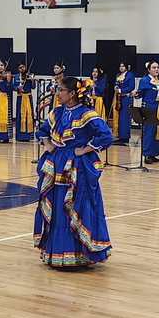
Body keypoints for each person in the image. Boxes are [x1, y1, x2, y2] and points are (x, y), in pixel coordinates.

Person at [34, 77, 113, 267]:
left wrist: (85, 150)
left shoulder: (87, 114)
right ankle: (57, 253)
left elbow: (106, 136)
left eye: (60, 90)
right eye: (57, 89)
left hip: (77, 168)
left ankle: (80, 253)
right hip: (56, 166)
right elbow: (42, 131)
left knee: (76, 205)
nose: (57, 93)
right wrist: (47, 144)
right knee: (58, 207)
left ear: (72, 94)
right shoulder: (56, 113)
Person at [133, 61, 159, 164]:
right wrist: (135, 94)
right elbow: (140, 93)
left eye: (157, 67)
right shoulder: (144, 80)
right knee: (149, 131)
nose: (156, 69)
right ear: (149, 70)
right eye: (154, 68)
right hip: (149, 107)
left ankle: (154, 153)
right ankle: (147, 153)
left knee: (157, 131)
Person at [112, 62, 135, 145]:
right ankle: (120, 135)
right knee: (119, 117)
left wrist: (121, 90)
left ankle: (125, 137)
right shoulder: (118, 75)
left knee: (125, 117)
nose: (121, 68)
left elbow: (131, 87)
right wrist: (115, 87)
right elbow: (116, 83)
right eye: (120, 66)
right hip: (118, 98)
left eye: (123, 66)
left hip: (126, 97)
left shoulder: (130, 75)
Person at [14, 62, 35, 142]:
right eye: (20, 67)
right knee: (20, 115)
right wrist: (17, 88)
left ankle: (28, 136)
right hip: (20, 97)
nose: (22, 69)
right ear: (18, 69)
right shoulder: (16, 76)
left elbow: (33, 87)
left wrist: (33, 81)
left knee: (29, 115)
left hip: (28, 97)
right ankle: (20, 136)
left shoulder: (29, 75)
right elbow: (13, 86)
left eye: (23, 67)